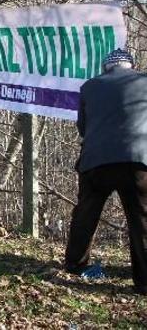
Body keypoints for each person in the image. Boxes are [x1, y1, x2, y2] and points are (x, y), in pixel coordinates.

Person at [65, 48, 147, 295]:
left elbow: (83, 127)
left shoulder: (89, 87)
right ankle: (143, 282)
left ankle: (75, 265)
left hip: (96, 160)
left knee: (86, 213)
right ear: (130, 66)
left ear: (106, 68)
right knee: (141, 219)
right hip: (137, 161)